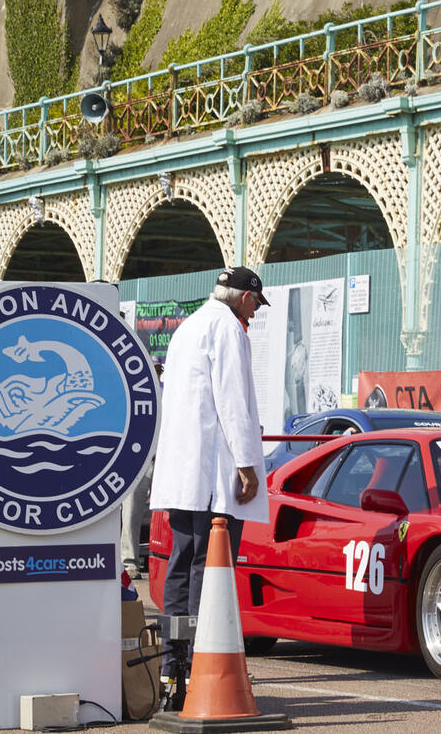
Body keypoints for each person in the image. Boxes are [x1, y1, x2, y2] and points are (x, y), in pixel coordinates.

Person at [149, 267, 270, 682]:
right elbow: (234, 401)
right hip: (213, 477)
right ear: (243, 297)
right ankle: (205, 666)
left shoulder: (188, 328)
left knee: (181, 565)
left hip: (182, 473)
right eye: (254, 304)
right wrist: (247, 466)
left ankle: (172, 666)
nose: (253, 314)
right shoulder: (228, 330)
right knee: (212, 568)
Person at [121, 355, 164, 580]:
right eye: (153, 369)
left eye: (158, 370)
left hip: (164, 458)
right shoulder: (133, 392)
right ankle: (129, 562)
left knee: (168, 512)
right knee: (132, 510)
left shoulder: (168, 393)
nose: (156, 373)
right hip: (139, 459)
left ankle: (164, 561)